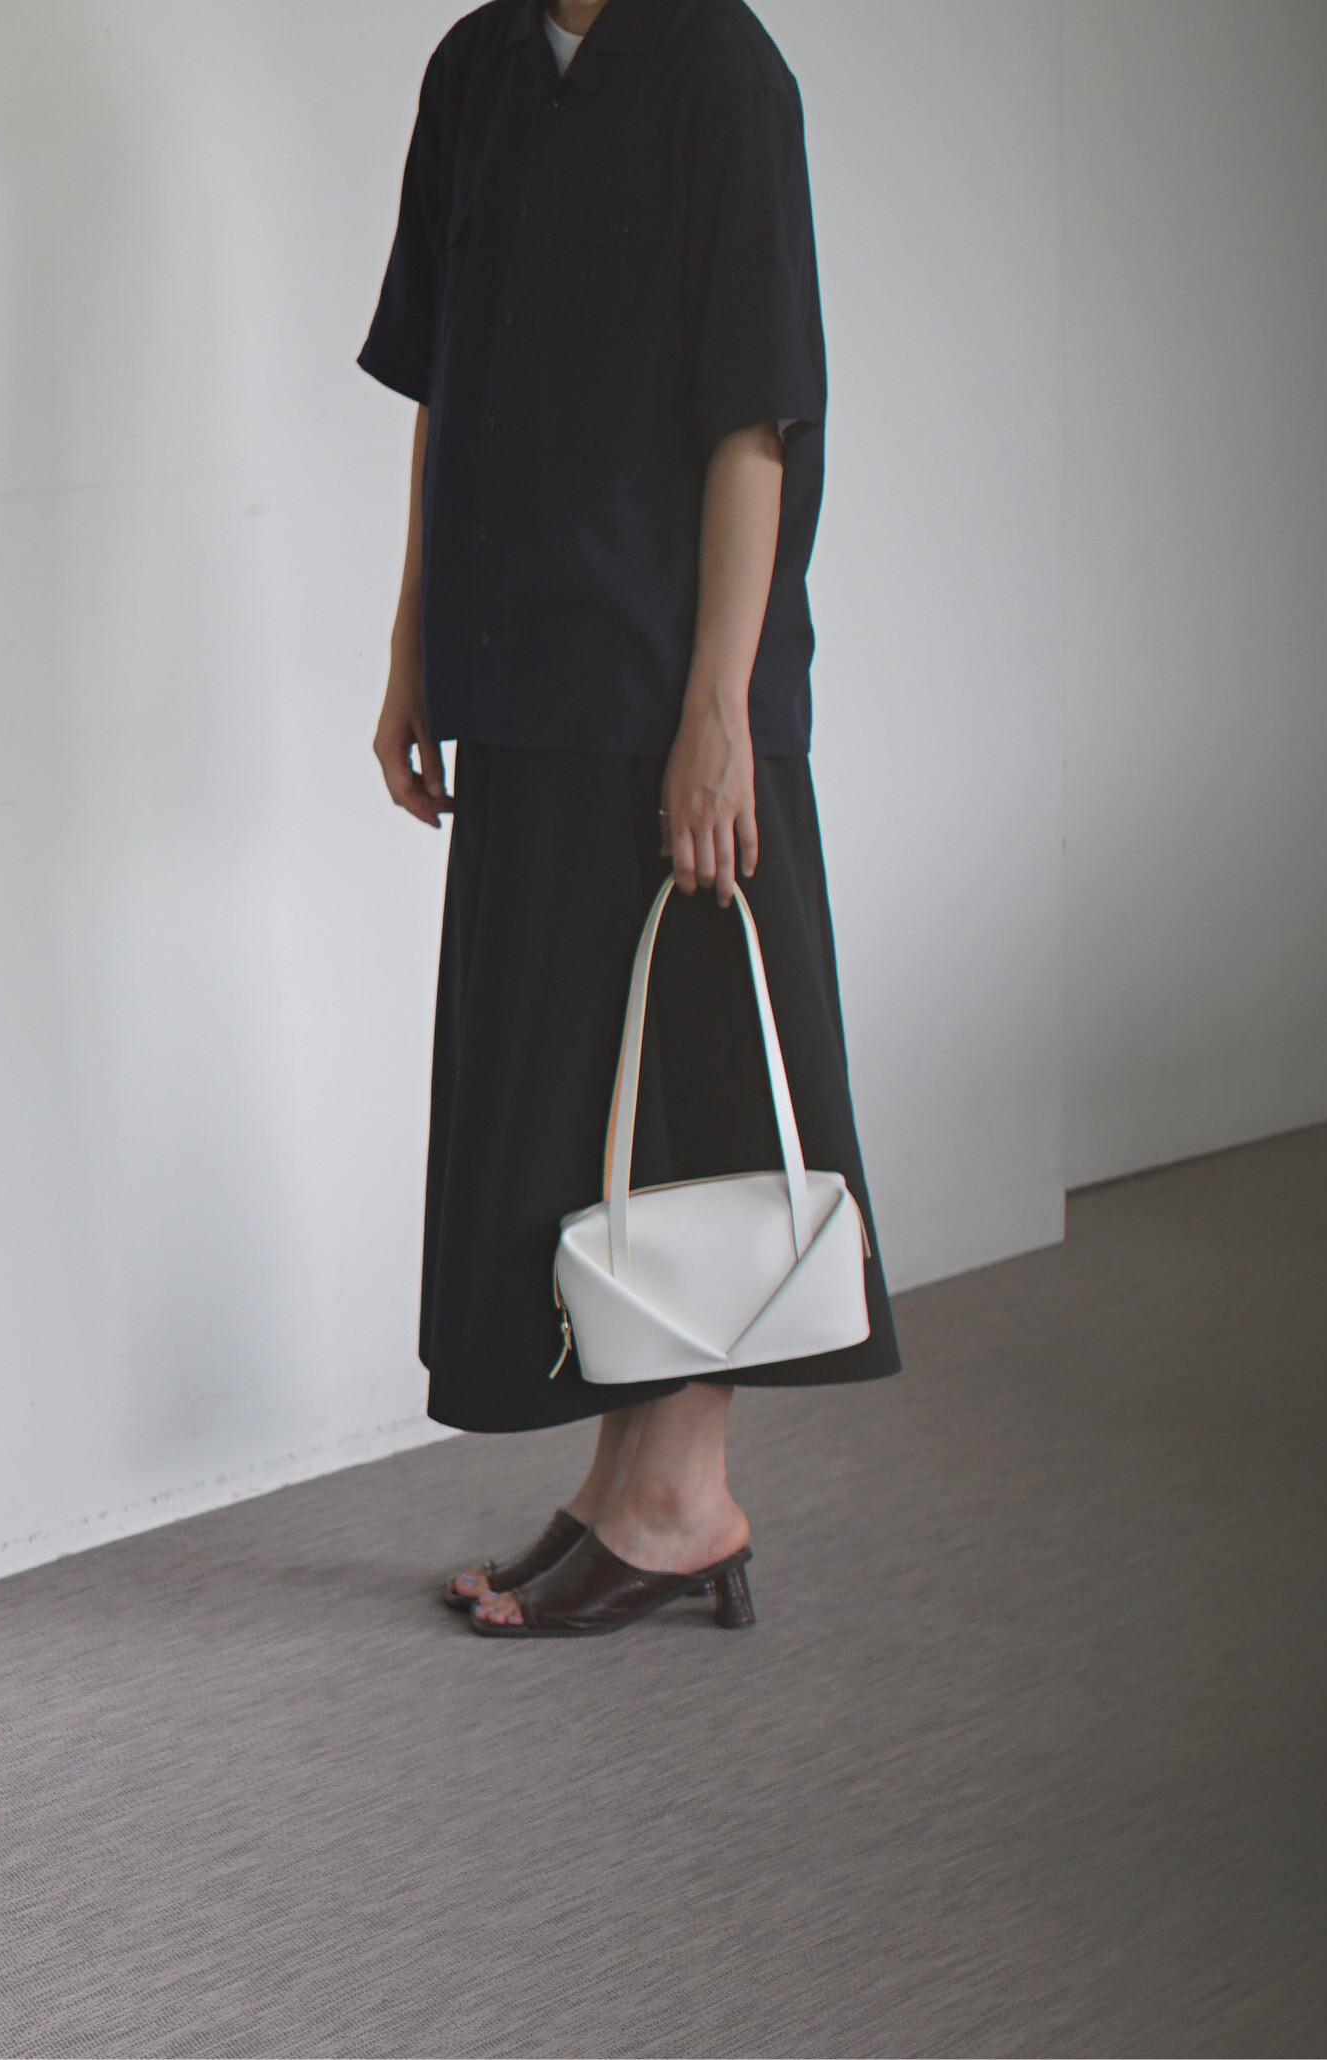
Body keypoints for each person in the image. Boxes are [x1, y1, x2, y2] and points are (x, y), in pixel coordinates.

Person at [360, 0, 898, 1639]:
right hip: (522, 667)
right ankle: (626, 1483)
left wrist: (721, 707)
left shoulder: (723, 75)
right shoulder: (475, 71)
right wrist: (413, 649)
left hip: (672, 674)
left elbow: (757, 417)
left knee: (694, 1087)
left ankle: (683, 1498)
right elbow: (444, 390)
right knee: (577, 1097)